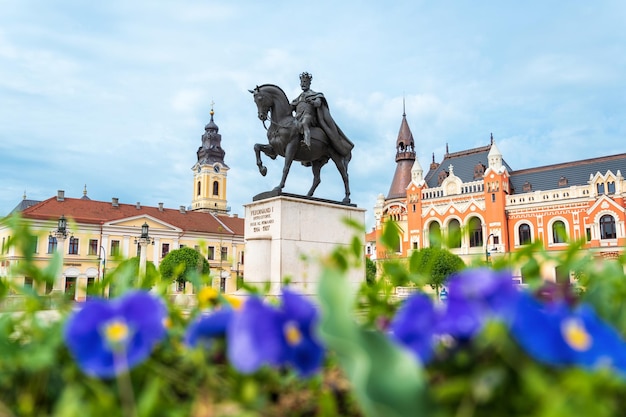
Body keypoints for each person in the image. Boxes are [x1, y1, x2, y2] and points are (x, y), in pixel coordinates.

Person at [290, 72, 354, 156]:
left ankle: (307, 142)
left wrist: (312, 102)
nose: (303, 84)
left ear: (309, 83)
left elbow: (318, 103)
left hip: (309, 117)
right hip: (297, 118)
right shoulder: (299, 97)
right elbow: (291, 107)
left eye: (305, 82)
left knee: (305, 123)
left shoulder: (315, 95)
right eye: (302, 82)